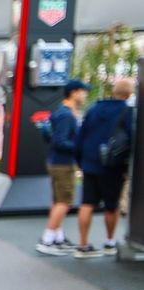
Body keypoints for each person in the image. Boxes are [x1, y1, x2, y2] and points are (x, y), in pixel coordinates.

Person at [73, 78, 135, 258]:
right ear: (128, 94)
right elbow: (131, 138)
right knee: (111, 206)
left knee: (87, 203)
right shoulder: (127, 112)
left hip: (90, 164)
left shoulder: (94, 109)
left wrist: (80, 161)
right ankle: (109, 242)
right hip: (112, 166)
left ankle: (82, 244)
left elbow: (81, 136)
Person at [36, 79, 89, 255]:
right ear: (74, 92)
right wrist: (80, 146)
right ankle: (47, 240)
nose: (85, 95)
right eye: (83, 91)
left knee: (58, 200)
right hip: (63, 163)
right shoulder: (66, 115)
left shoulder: (63, 112)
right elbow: (60, 141)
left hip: (57, 162)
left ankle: (57, 237)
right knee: (64, 201)